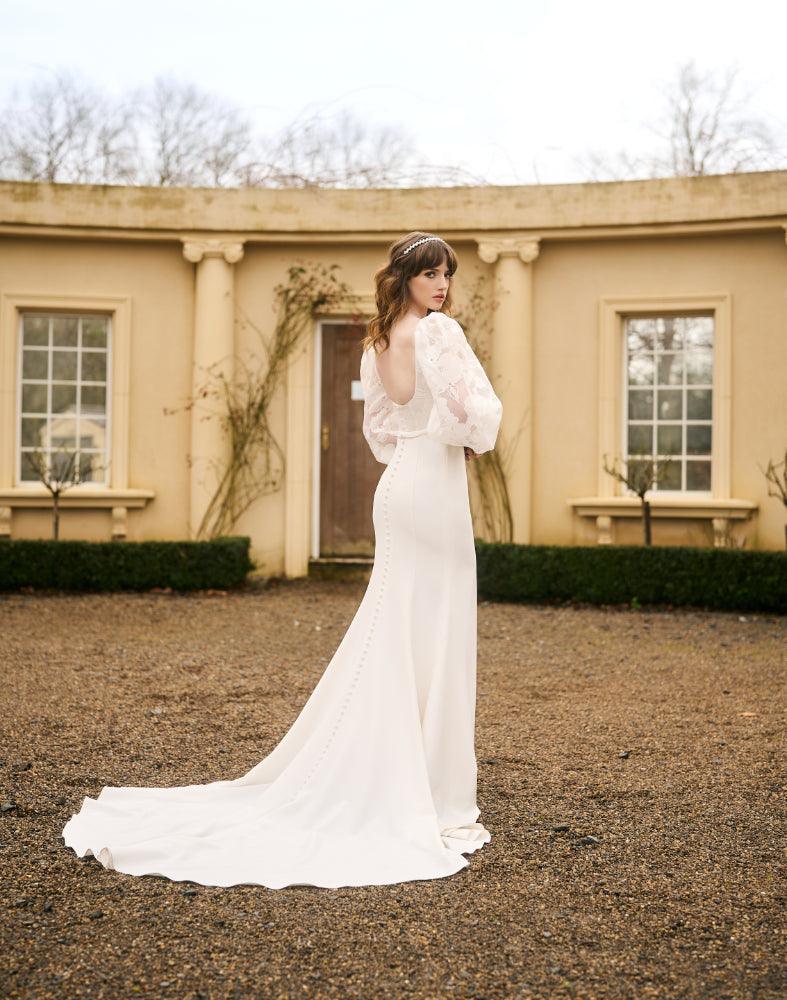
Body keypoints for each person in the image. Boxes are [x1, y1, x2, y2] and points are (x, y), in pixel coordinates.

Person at [61, 231, 504, 890]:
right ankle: (431, 792)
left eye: (446, 274)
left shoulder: (377, 342)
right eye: (429, 273)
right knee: (435, 630)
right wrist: (461, 438)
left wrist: (432, 435)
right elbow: (475, 410)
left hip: (400, 485)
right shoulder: (438, 332)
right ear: (407, 278)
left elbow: (381, 431)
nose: (440, 285)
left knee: (396, 628)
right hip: (433, 491)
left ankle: (388, 768)